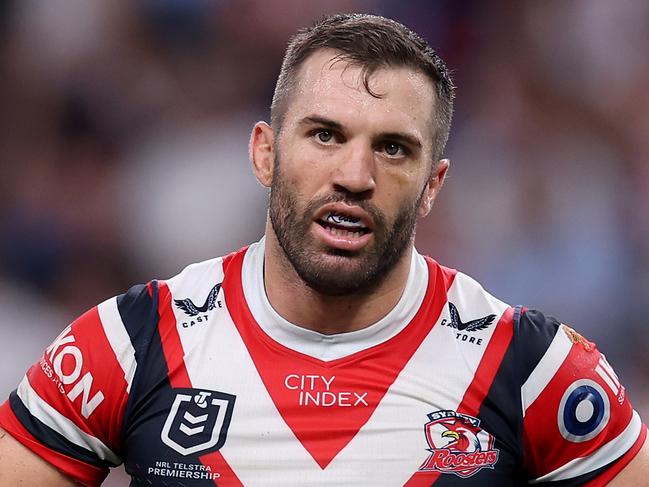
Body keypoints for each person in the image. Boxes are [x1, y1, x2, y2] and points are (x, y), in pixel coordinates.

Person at [0, 13, 647, 486]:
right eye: (324, 135)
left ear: (432, 186)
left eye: (393, 147)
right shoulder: (132, 342)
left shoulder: (531, 365)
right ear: (264, 152)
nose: (354, 175)